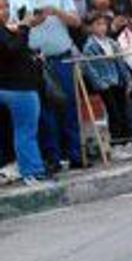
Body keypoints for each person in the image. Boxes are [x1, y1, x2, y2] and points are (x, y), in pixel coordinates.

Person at [15, 0, 83, 173]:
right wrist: (34, 21)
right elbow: (12, 28)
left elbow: (76, 22)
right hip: (34, 60)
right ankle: (53, 158)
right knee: (44, 112)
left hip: (61, 57)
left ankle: (75, 154)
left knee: (68, 105)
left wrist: (56, 12)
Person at [82, 12, 132, 158]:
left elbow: (121, 63)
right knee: (113, 113)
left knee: (124, 112)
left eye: (104, 24)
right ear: (90, 28)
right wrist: (100, 83)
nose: (102, 28)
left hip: (119, 82)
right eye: (98, 25)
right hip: (106, 84)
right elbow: (89, 68)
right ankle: (116, 145)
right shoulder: (90, 47)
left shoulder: (111, 42)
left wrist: (127, 80)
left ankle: (127, 142)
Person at [0, 0, 48, 184]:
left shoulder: (6, 30)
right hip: (17, 88)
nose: (4, 11)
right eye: (0, 8)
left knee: (22, 131)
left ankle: (28, 169)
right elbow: (13, 49)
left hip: (15, 85)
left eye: (5, 7)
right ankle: (32, 172)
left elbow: (16, 51)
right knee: (26, 131)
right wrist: (25, 27)